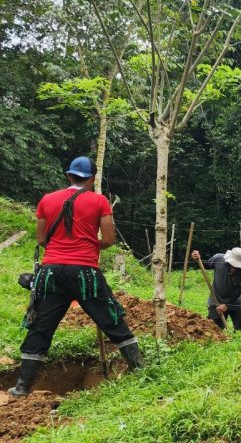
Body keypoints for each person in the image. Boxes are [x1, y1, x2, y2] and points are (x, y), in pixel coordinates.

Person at [8, 157, 144, 397]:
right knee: (112, 320)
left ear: (69, 176)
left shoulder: (47, 200)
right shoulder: (99, 201)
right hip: (84, 273)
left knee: (40, 328)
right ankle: (141, 372)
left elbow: (41, 240)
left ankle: (21, 387)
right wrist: (92, 246)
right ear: (92, 178)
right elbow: (109, 239)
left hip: (51, 272)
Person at [192, 247, 241, 330]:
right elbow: (206, 265)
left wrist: (227, 304)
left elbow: (239, 290)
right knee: (213, 327)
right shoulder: (218, 258)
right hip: (217, 299)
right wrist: (198, 259)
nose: (235, 267)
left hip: (235, 300)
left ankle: (238, 339)